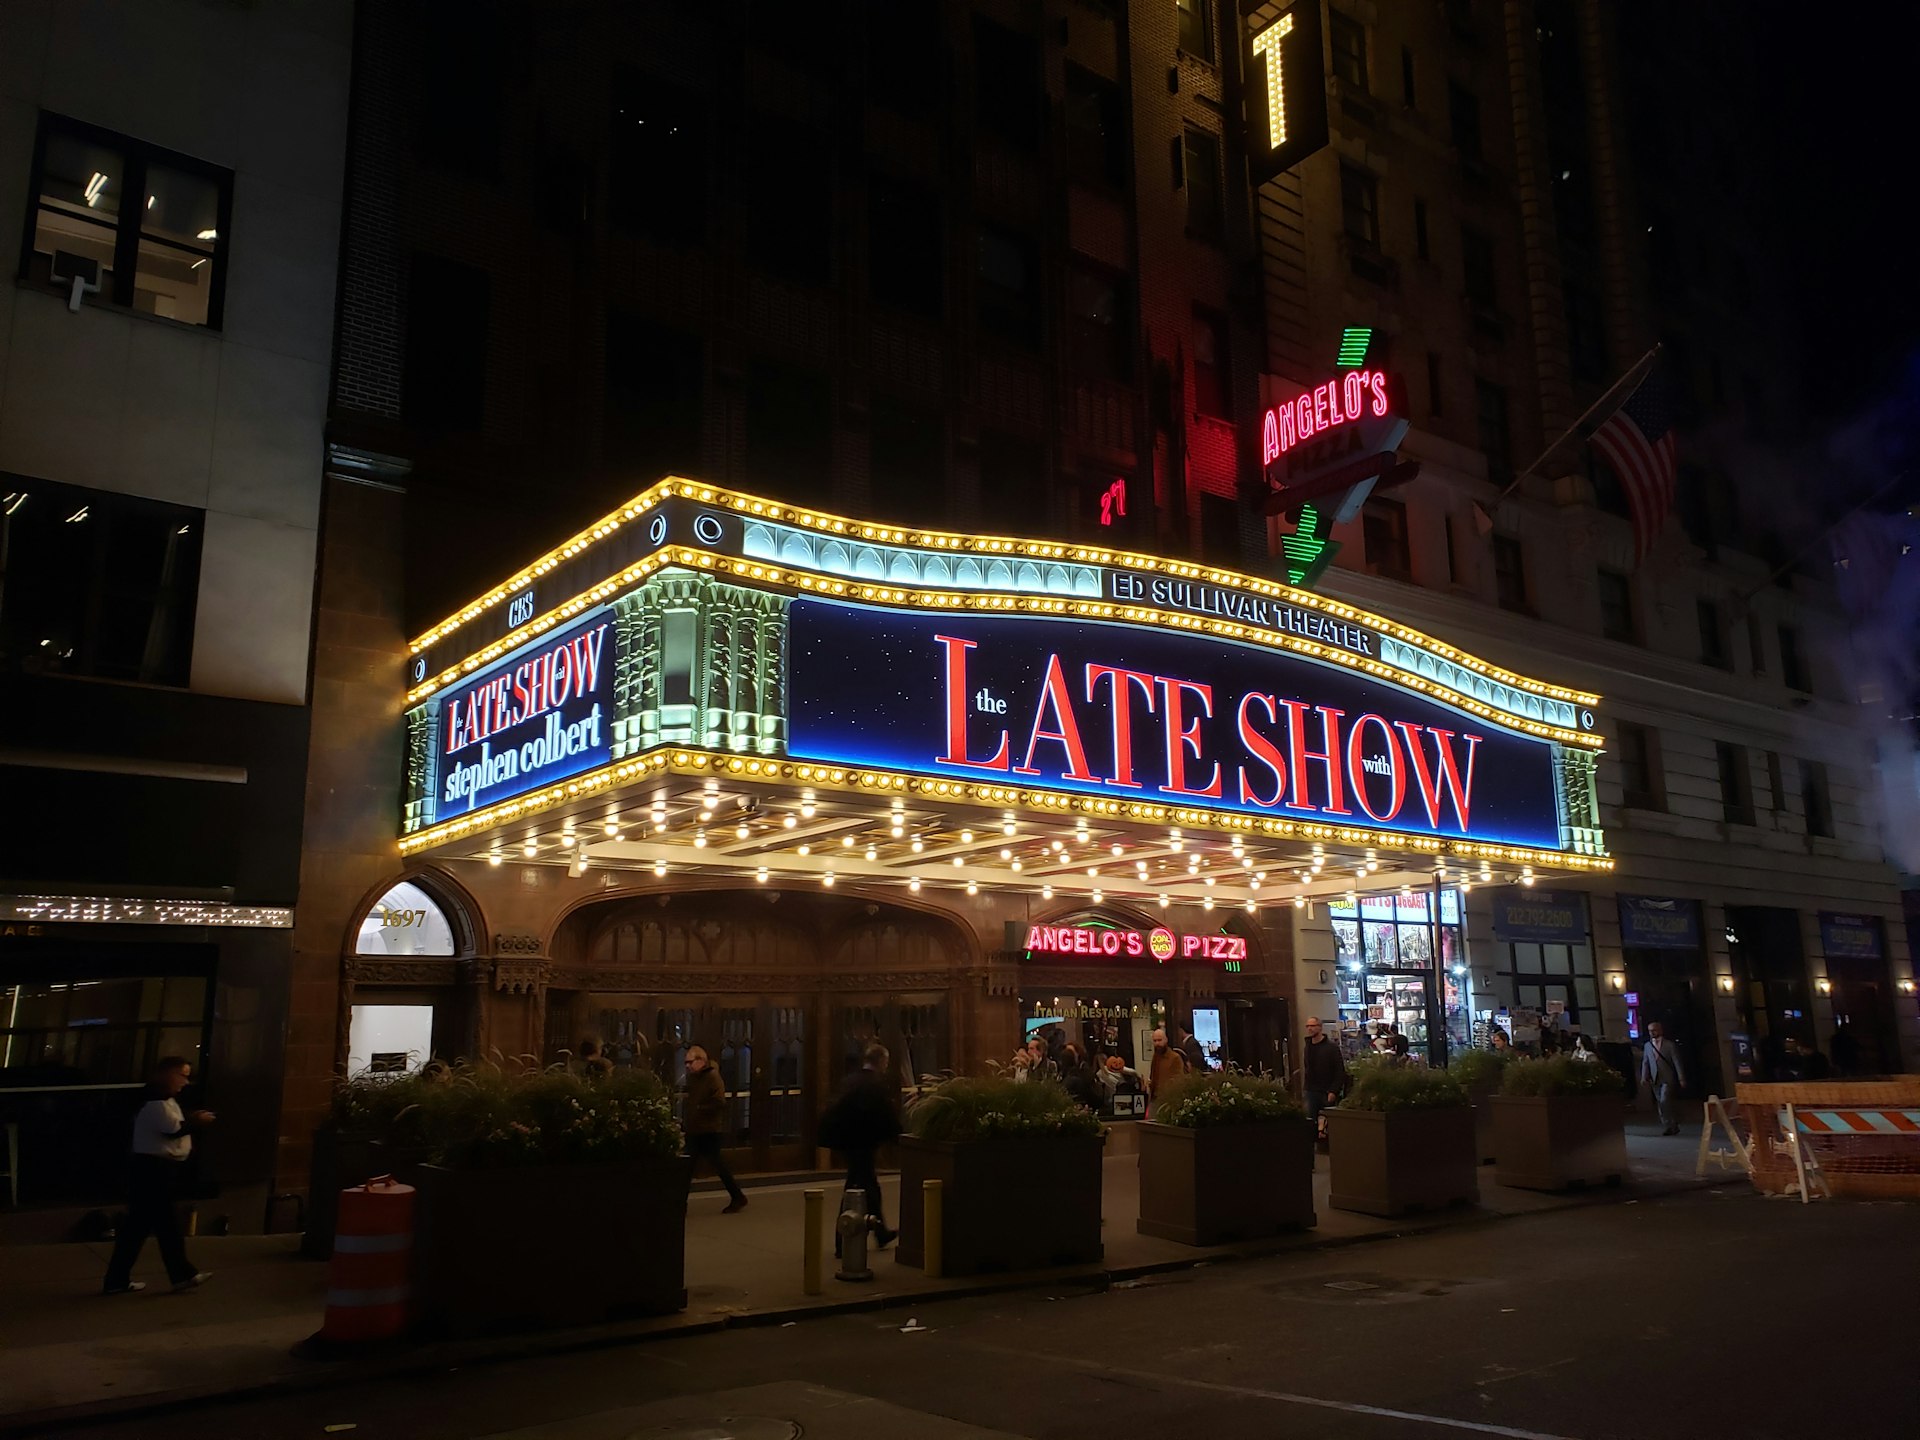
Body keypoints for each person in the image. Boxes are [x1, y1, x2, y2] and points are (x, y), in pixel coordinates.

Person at [103, 1057, 214, 1295]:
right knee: (166, 1225)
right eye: (182, 1075)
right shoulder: (155, 1103)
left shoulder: (161, 1101)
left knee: (141, 1227)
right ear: (168, 1074)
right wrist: (197, 1121)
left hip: (152, 1170)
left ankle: (119, 1279)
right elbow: (173, 1129)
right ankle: (181, 1274)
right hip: (154, 1170)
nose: (185, 1081)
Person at [818, 1043, 901, 1253]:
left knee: (864, 1186)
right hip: (861, 1143)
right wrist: (899, 1137)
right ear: (881, 1061)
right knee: (858, 1189)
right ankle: (843, 1239)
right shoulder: (873, 1085)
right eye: (886, 1062)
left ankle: (879, 1232)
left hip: (847, 1141)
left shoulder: (850, 1080)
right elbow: (884, 1115)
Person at [682, 1045, 747, 1213]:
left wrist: (699, 1109)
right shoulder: (693, 1079)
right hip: (695, 1128)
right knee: (688, 1167)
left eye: (690, 1062)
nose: (687, 1066)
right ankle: (681, 1202)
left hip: (709, 1129)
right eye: (686, 1063)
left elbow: (719, 1102)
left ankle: (737, 1196)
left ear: (701, 1061)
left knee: (716, 1165)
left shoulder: (712, 1077)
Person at [1301, 1016, 1348, 1142]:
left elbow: (1339, 1071)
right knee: (1312, 1120)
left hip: (1326, 1090)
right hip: (1311, 1089)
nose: (1310, 1029)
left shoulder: (1331, 1048)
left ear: (1320, 1027)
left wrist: (1333, 1090)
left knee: (1328, 1121)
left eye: (1312, 1026)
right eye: (1308, 1026)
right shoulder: (1308, 1047)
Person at [1640, 1022, 1687, 1135]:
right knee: (1660, 1103)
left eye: (1654, 1030)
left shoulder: (1669, 1045)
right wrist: (1644, 1076)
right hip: (1654, 1078)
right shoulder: (1647, 1046)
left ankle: (1672, 1122)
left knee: (1664, 1100)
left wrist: (1681, 1078)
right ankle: (1669, 1125)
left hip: (1667, 1077)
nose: (1652, 1033)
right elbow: (1645, 1062)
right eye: (1650, 1030)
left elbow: (1676, 1062)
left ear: (1660, 1030)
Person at [1145, 1028, 1187, 1114]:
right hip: (1155, 1097)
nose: (1157, 1043)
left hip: (1167, 1100)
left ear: (1166, 1040)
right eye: (1155, 1041)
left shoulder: (1174, 1058)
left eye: (1159, 1040)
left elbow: (1178, 1079)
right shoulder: (1156, 1057)